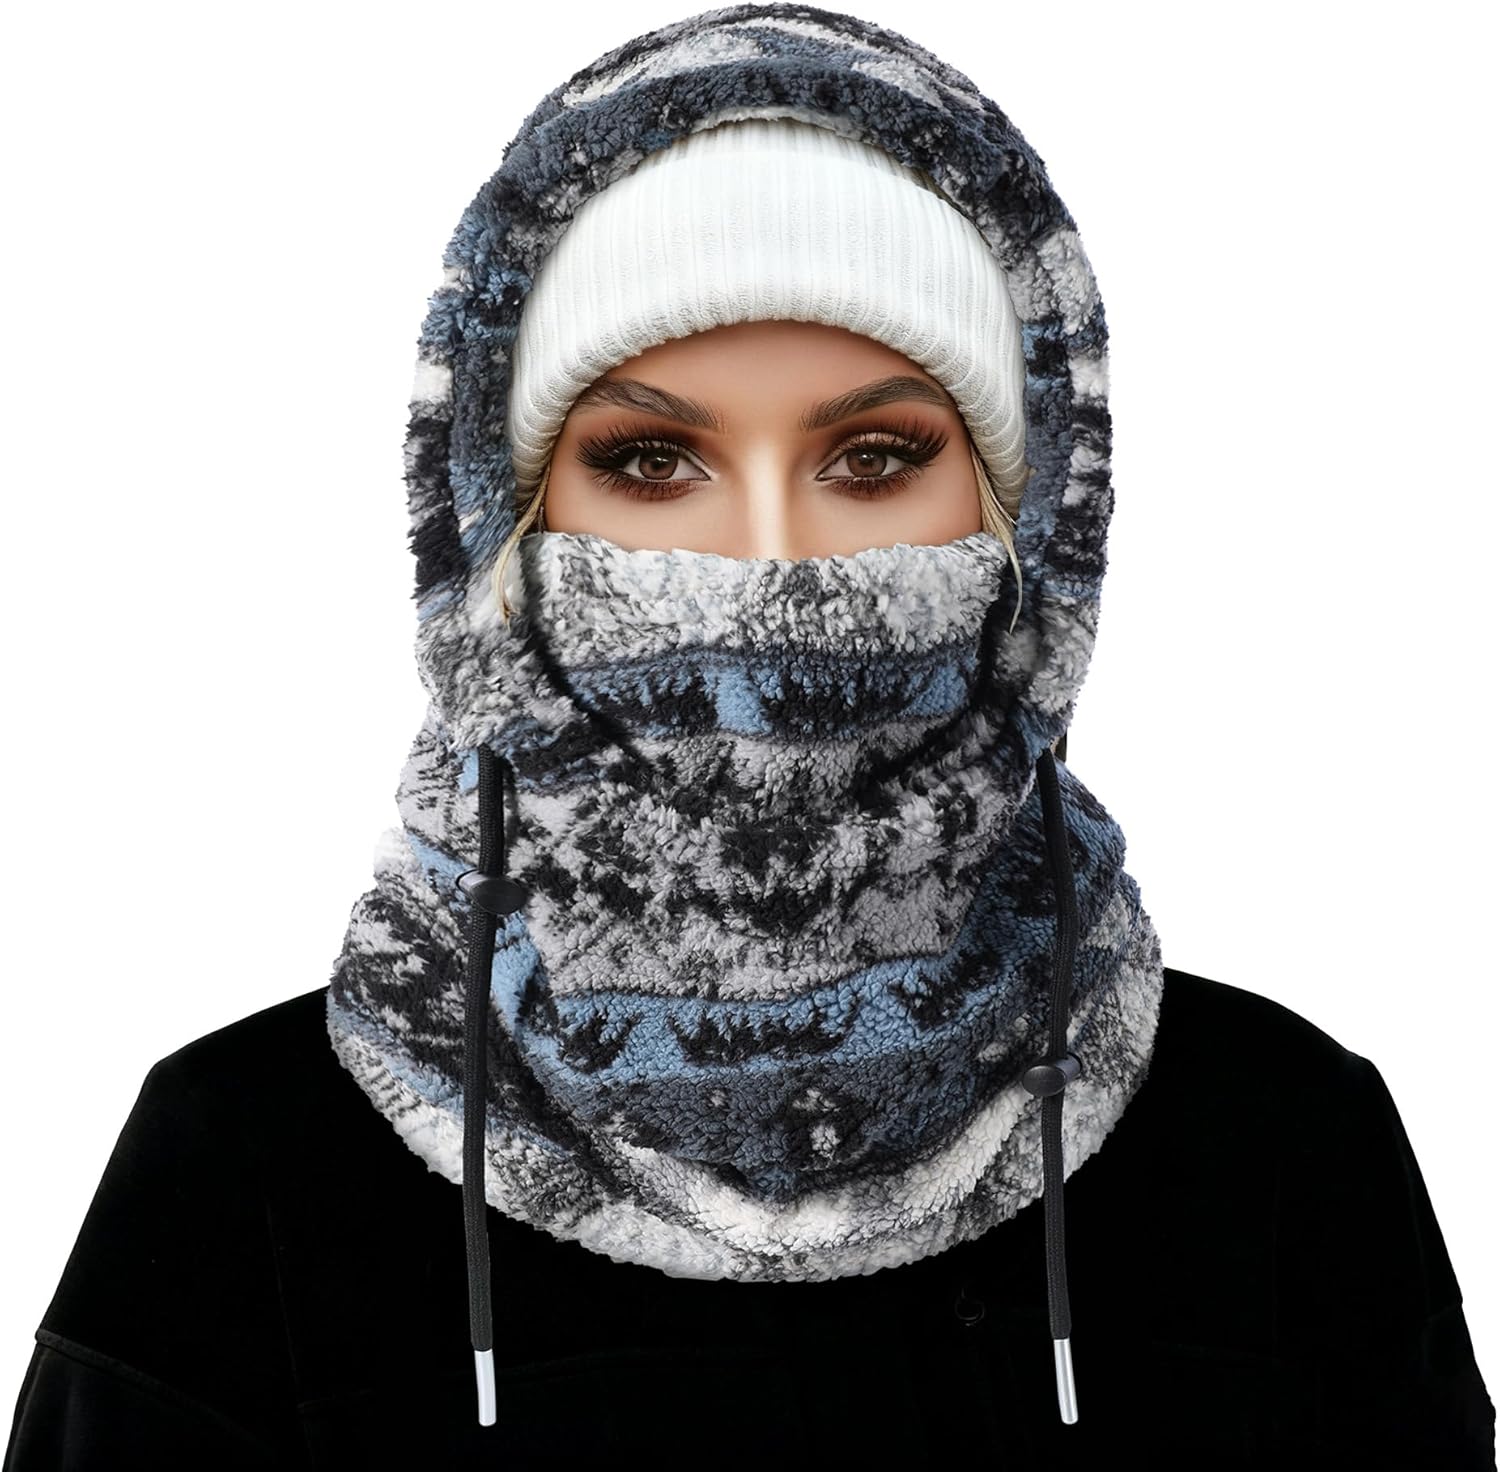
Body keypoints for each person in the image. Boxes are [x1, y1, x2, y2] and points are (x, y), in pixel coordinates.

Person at [4, 4, 1494, 1468]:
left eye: (876, 457)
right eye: (652, 461)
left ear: (1030, 526)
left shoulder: (1282, 1152)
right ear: (500, 535)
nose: (772, 567)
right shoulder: (247, 1181)